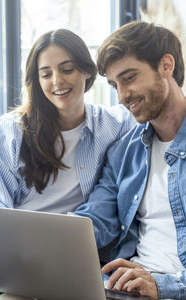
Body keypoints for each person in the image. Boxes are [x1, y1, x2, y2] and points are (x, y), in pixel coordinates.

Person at [0, 29, 134, 299]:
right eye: (46, 74)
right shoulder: (9, 131)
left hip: (74, 257)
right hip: (18, 256)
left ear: (87, 71)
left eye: (67, 69)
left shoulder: (117, 125)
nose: (57, 81)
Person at [75, 21, 186, 299]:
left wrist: (161, 286)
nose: (123, 96)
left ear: (166, 65)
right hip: (126, 287)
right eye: (115, 84)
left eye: (129, 77)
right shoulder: (125, 150)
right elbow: (96, 218)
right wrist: (50, 242)